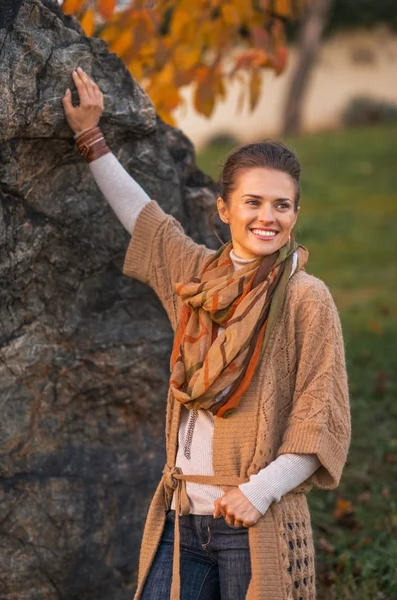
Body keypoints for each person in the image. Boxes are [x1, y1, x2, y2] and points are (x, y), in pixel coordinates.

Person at [62, 67, 351, 600]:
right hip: (182, 515)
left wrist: (258, 493)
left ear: (295, 214)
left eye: (281, 205)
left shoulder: (307, 298)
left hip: (251, 522)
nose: (268, 217)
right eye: (253, 202)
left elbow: (321, 425)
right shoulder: (196, 280)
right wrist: (90, 136)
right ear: (224, 209)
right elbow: (144, 220)